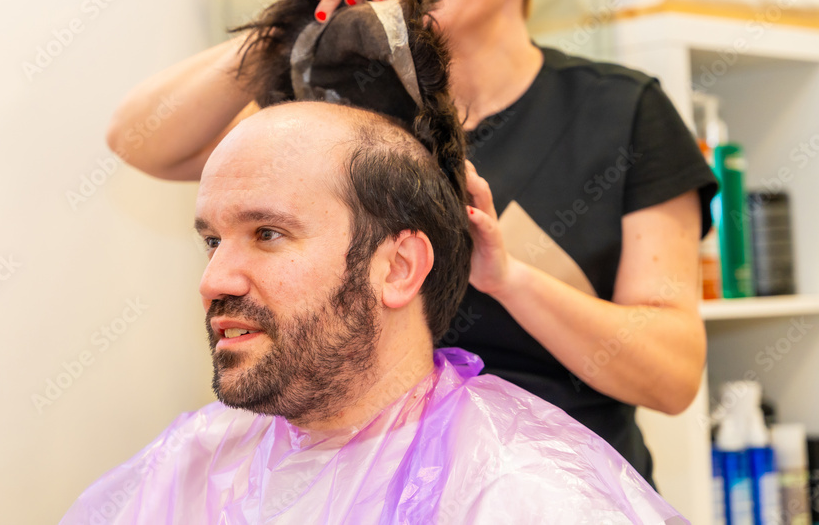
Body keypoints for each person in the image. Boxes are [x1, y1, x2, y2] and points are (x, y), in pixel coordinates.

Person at [105, 0, 717, 482]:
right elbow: (142, 141)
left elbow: (671, 376)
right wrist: (284, 29)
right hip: (361, 490)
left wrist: (508, 279)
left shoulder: (620, 112)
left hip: (559, 493)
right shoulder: (345, 106)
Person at [63, 96, 687, 524]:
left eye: (268, 234)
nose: (213, 280)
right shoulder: (199, 463)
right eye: (211, 241)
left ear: (397, 268)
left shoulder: (519, 492)